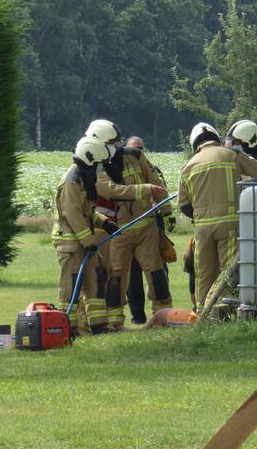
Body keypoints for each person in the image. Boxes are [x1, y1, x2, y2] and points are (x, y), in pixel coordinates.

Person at [178, 122, 257, 312]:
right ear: (215, 137)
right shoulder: (232, 155)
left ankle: (201, 314)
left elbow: (184, 206)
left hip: (202, 229)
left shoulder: (187, 166)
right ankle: (216, 311)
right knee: (228, 271)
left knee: (204, 273)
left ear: (194, 143)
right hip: (230, 224)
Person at [88, 120, 170, 330]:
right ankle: (116, 322)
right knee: (116, 277)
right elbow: (108, 190)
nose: (114, 146)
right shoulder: (96, 166)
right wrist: (143, 189)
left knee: (156, 273)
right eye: (110, 143)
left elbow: (157, 184)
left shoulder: (136, 155)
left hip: (146, 227)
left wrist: (166, 213)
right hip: (118, 231)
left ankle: (164, 317)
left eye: (116, 142)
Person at [52, 136, 118, 335]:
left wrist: (104, 223)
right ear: (89, 159)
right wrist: (89, 241)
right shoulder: (71, 182)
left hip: (83, 241)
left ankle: (98, 325)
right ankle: (68, 327)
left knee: (95, 280)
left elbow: (86, 212)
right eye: (97, 164)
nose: (98, 169)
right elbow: (72, 215)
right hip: (70, 243)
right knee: (70, 285)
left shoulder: (83, 178)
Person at [124, 135, 177, 324]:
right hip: (129, 228)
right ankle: (138, 316)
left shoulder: (152, 168)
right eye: (133, 149)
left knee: (158, 271)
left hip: (153, 224)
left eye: (140, 149)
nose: (137, 152)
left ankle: (162, 312)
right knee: (133, 275)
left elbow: (162, 193)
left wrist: (168, 215)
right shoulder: (119, 168)